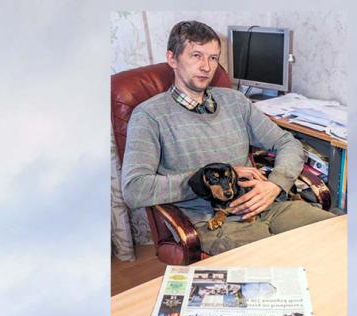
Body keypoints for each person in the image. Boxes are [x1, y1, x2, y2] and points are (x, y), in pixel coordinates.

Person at [121, 20, 334, 255]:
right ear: (172, 59)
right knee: (278, 268)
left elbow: (287, 143)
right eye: (196, 55)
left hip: (268, 204)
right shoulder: (149, 116)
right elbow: (134, 189)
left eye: (213, 58)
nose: (206, 67)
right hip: (216, 220)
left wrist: (275, 184)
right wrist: (211, 179)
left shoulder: (235, 101)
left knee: (337, 239)